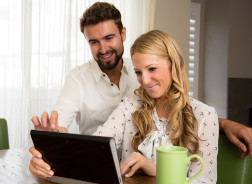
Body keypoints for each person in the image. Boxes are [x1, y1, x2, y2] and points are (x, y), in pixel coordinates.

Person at [31, 2, 252, 159]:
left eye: (109, 38)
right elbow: (65, 129)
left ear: (123, 34)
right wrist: (55, 144)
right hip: (97, 163)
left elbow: (181, 108)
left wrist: (220, 123)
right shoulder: (81, 80)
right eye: (94, 42)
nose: (103, 49)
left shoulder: (139, 66)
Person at [32, 30, 219, 184]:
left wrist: (155, 169)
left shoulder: (204, 116)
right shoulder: (129, 108)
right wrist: (51, 155)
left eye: (152, 69)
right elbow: (93, 152)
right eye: (138, 72)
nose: (144, 80)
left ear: (174, 64)